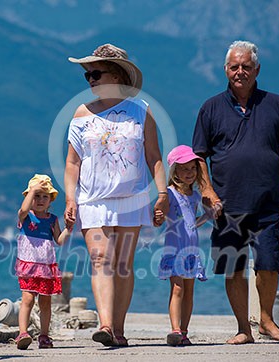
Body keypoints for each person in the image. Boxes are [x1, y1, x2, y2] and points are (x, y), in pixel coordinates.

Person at [192, 40, 279, 344]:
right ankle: (244, 328)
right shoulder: (211, 107)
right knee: (233, 267)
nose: (240, 71)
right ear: (226, 70)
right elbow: (199, 155)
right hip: (226, 206)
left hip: (268, 202)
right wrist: (207, 190)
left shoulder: (276, 104)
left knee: (269, 264)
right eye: (234, 66)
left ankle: (267, 321)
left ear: (257, 69)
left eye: (246, 66)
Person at [64, 43, 169, 347]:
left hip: (131, 198)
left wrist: (161, 193)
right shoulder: (80, 114)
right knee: (100, 259)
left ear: (117, 75)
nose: (90, 80)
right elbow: (72, 162)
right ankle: (106, 324)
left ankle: (119, 330)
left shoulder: (141, 112)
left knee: (122, 264)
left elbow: (154, 156)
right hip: (92, 199)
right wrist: (71, 198)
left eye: (96, 73)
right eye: (88, 75)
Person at [156, 145, 209, 346]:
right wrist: (158, 216)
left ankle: (184, 332)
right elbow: (159, 218)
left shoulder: (195, 196)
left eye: (193, 169)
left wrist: (208, 215)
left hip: (192, 251)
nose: (189, 173)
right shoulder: (168, 194)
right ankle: (175, 329)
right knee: (177, 288)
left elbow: (191, 222)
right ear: (175, 171)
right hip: (175, 249)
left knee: (189, 291)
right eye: (184, 169)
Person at [13, 174, 71, 350]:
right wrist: (33, 190)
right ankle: (23, 333)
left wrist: (69, 228)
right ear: (29, 197)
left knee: (46, 301)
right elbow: (22, 210)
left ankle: (44, 335)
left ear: (50, 201)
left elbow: (59, 240)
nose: (40, 200)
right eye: (36, 196)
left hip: (46, 266)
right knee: (28, 299)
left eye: (45, 196)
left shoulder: (52, 219)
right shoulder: (26, 217)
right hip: (29, 265)